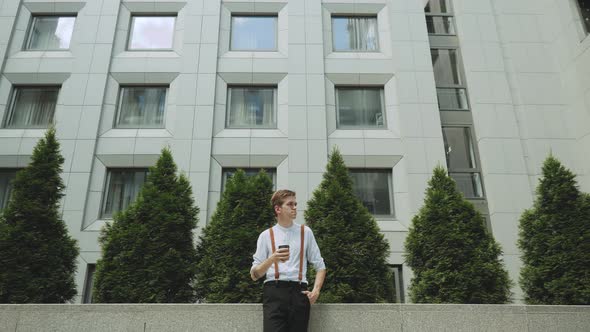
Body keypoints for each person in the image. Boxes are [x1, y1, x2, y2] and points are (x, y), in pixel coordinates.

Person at [251, 189, 326, 332]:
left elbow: (320, 266)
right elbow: (254, 275)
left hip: (299, 292)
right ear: (278, 209)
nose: (295, 207)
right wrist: (272, 259)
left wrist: (316, 291)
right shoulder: (266, 235)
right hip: (274, 292)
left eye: (295, 204)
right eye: (290, 204)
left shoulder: (306, 232)